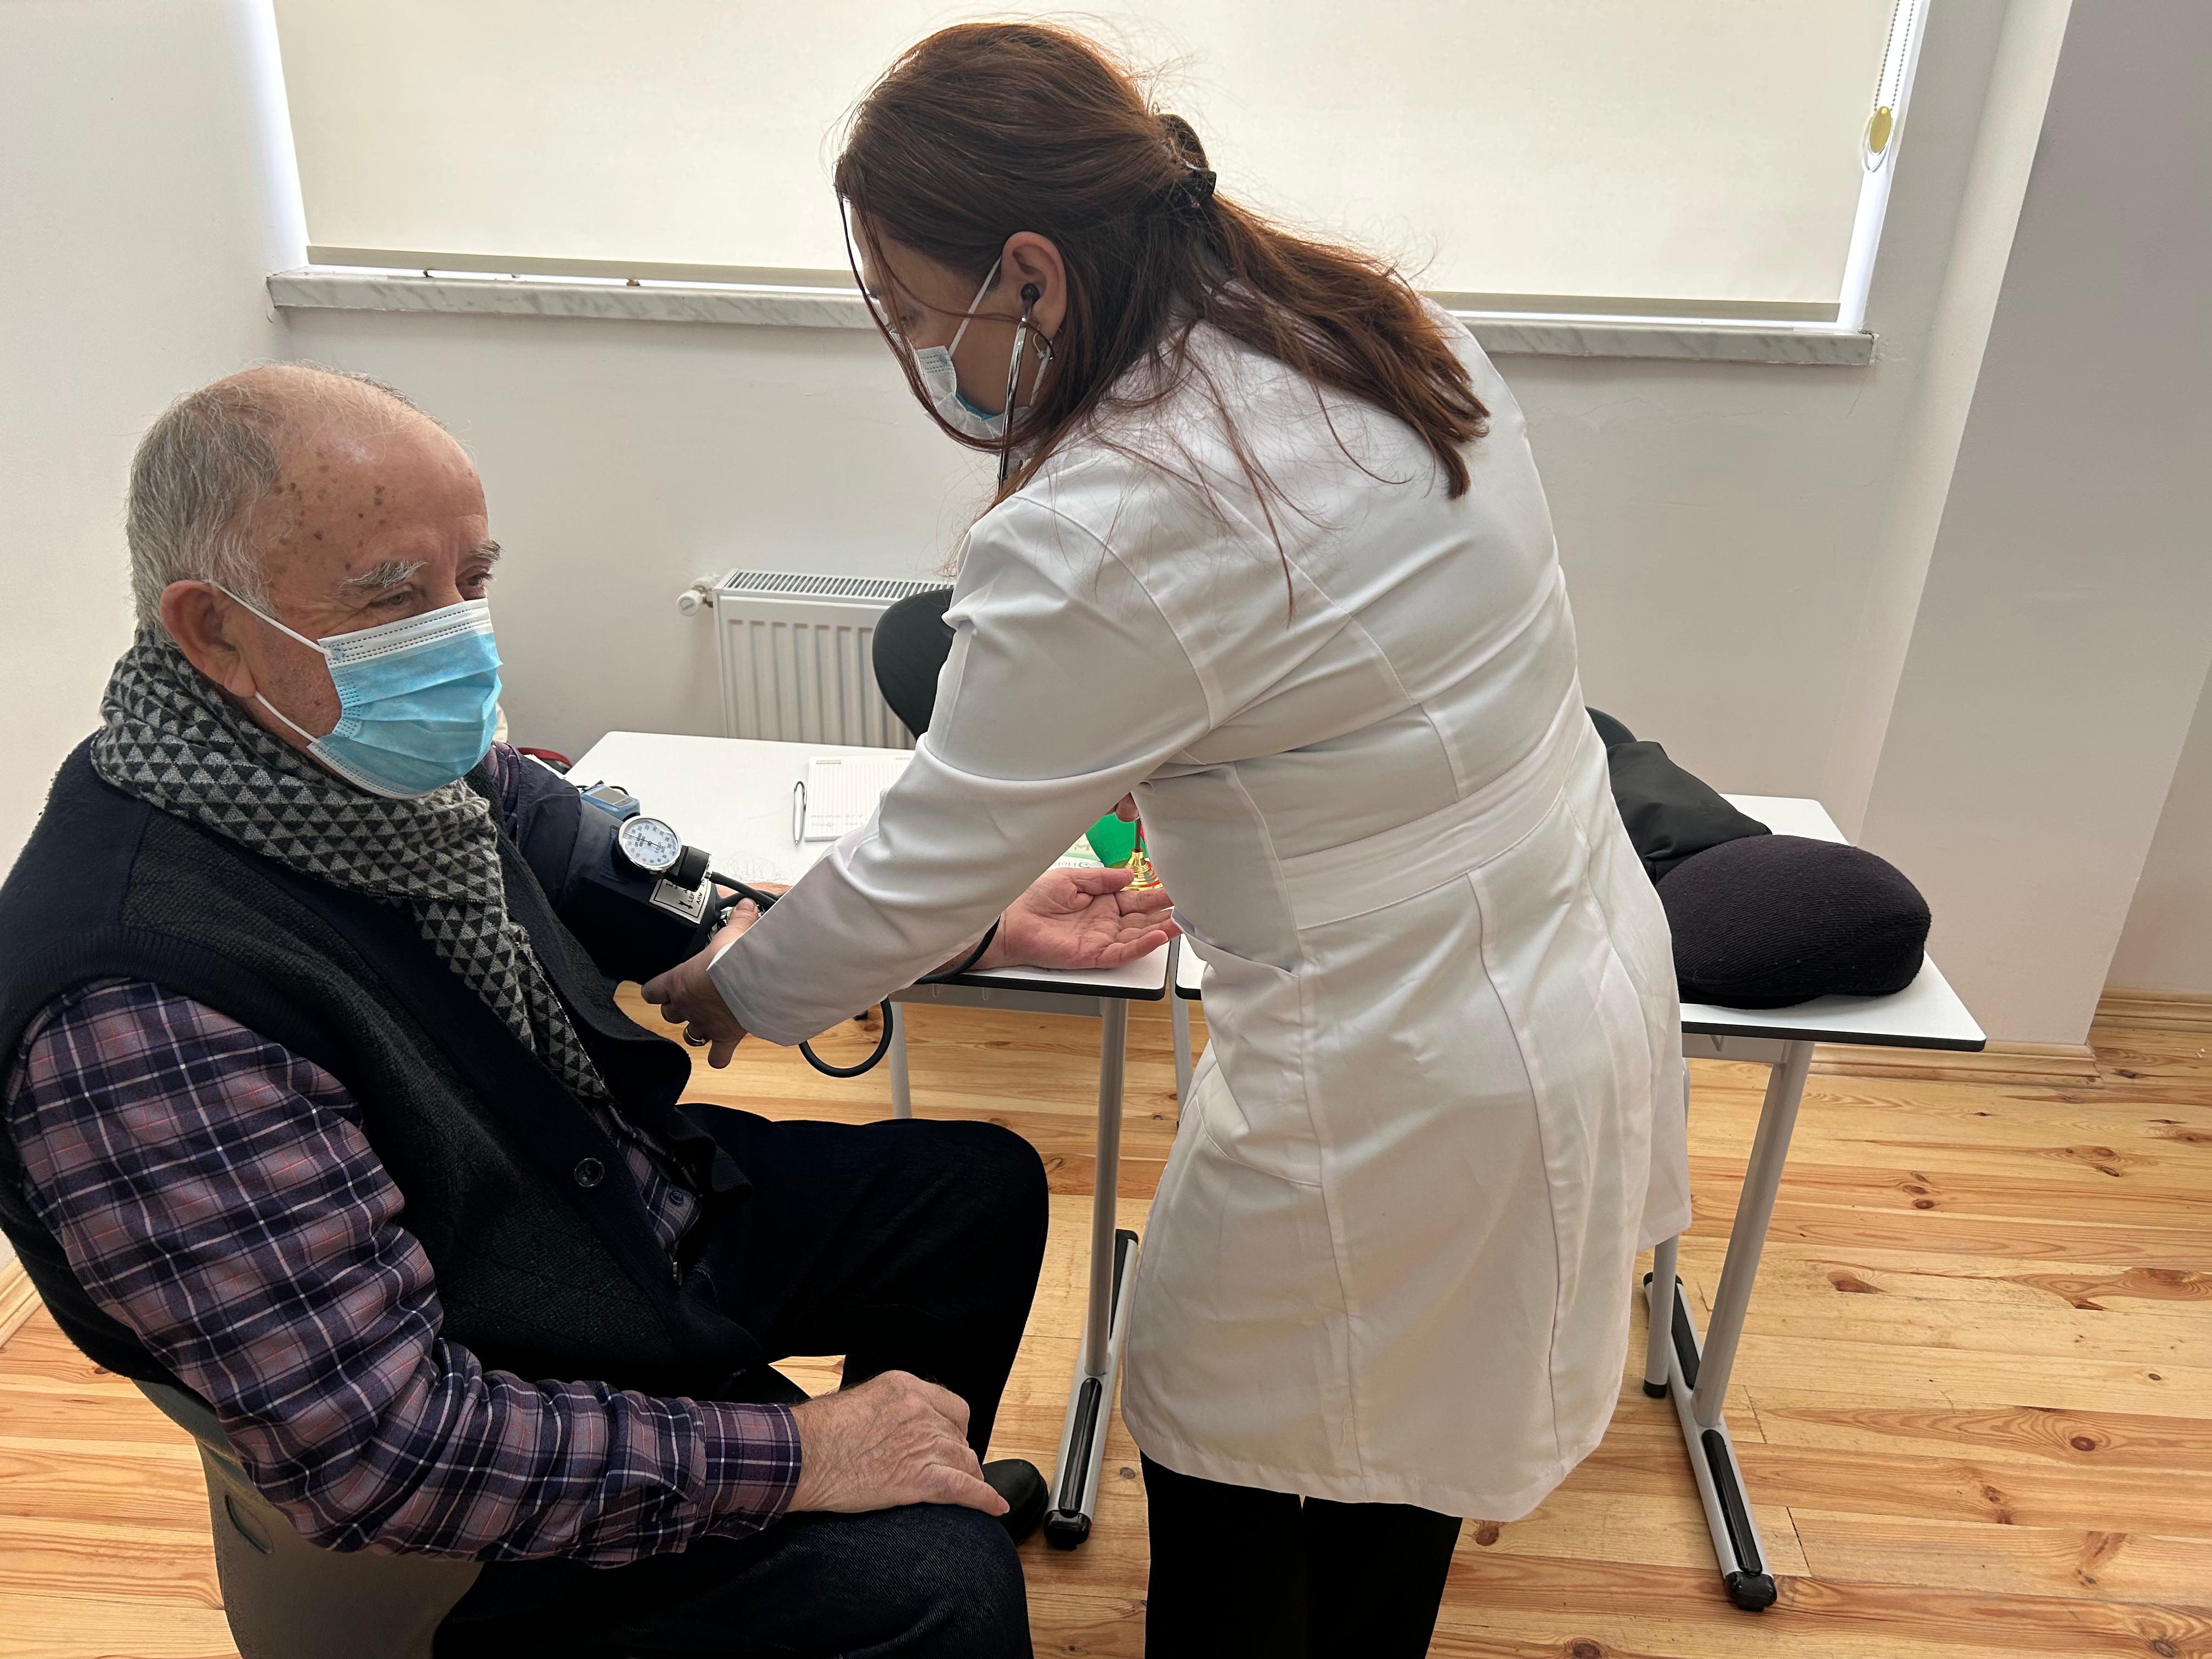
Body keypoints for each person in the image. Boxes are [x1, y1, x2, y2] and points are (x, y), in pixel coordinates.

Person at [642, 22, 1691, 1657]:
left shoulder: (1120, 518)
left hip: (1398, 1062)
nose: (925, 353)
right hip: (1560, 956)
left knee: (1243, 1435)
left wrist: (733, 989)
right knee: (1388, 1448)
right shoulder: (1372, 327)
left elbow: (927, 863)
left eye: (922, 315)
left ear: (1034, 274)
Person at [0, 364, 1170, 1658]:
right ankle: (883, 1523)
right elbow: (385, 1452)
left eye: (473, 580)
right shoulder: (140, 1011)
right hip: (469, 1435)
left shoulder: (377, 771)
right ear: (210, 630)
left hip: (584, 1223)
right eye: (395, 596)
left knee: (973, 1195)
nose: (459, 636)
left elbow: (676, 904)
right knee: (939, 1588)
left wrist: (970, 924)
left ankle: (912, 1471)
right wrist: (795, 1454)